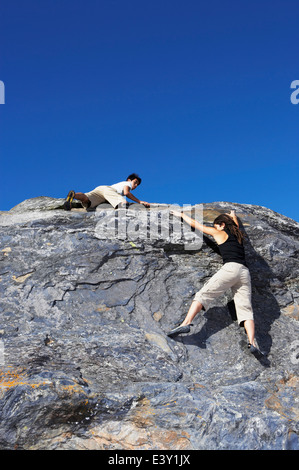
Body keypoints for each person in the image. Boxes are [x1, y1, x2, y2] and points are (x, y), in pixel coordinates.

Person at [167, 209, 262, 357]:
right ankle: (252, 342)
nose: (214, 228)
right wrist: (233, 216)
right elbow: (235, 224)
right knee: (245, 309)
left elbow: (197, 225)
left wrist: (181, 215)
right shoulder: (238, 235)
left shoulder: (219, 232)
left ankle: (186, 323)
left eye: (216, 225)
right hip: (244, 273)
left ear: (222, 225)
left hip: (230, 268)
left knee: (203, 294)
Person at [63, 173, 150, 211]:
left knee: (86, 199)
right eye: (135, 183)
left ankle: (73, 195)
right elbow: (127, 193)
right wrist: (140, 202)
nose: (135, 185)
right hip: (109, 191)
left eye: (137, 185)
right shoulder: (127, 184)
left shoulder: (120, 184)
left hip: (101, 190)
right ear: (129, 180)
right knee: (123, 204)